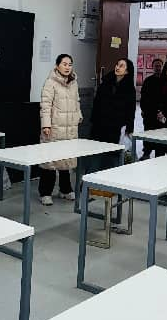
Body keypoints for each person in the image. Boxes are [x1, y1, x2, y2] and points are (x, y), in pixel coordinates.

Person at [38, 54, 82, 206]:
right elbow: (45, 105)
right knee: (50, 162)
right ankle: (45, 193)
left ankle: (65, 189)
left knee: (66, 160)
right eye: (64, 64)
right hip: (54, 128)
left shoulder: (74, 82)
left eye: (70, 64)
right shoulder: (50, 82)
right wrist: (46, 125)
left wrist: (79, 116)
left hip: (70, 127)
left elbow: (77, 101)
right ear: (57, 66)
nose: (67, 67)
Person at [90, 58, 137, 146]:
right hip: (100, 123)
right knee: (97, 148)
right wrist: (93, 120)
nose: (117, 67)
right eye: (117, 65)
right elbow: (97, 103)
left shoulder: (129, 88)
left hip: (116, 125)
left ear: (127, 71)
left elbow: (131, 110)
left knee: (112, 150)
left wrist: (129, 128)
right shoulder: (105, 82)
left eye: (121, 66)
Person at [139, 58, 165, 160]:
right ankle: (146, 153)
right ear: (152, 67)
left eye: (159, 66)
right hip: (149, 113)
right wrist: (143, 109)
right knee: (148, 133)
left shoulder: (166, 81)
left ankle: (160, 155)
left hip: (161, 114)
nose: (158, 68)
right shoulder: (148, 80)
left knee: (160, 134)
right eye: (156, 66)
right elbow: (143, 97)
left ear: (162, 67)